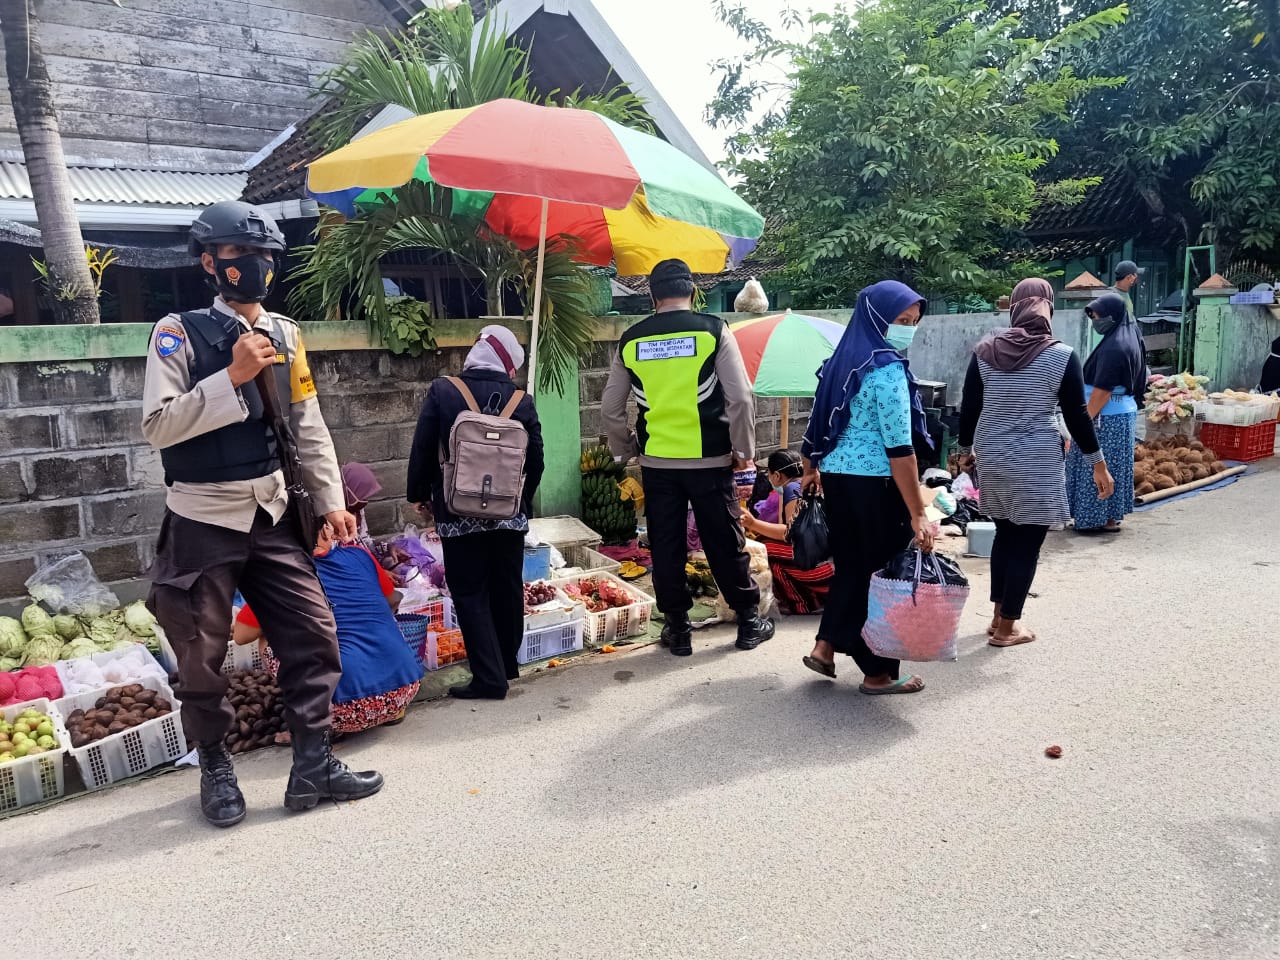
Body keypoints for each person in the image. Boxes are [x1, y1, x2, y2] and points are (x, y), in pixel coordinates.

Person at [141, 200, 382, 828]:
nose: (254, 267)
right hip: (201, 519)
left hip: (271, 513)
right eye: (238, 256)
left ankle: (313, 766)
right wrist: (231, 377)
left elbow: (307, 422)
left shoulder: (286, 333)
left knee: (314, 636)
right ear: (209, 263)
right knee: (200, 657)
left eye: (264, 257)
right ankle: (216, 769)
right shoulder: (177, 332)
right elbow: (158, 426)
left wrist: (331, 501)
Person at [600, 258, 774, 657]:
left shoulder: (633, 339)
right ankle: (749, 623)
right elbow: (741, 397)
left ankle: (677, 630)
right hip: (711, 460)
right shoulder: (713, 330)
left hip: (657, 463)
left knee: (665, 545)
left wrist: (626, 448)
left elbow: (610, 409)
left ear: (651, 296)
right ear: (693, 293)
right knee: (724, 541)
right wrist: (743, 451)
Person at [960, 278, 1116, 648]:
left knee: (1006, 535)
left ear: (1014, 308)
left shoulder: (984, 352)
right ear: (1047, 308)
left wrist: (964, 449)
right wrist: (1098, 463)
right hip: (1035, 461)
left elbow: (970, 406)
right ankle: (1008, 627)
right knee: (1027, 543)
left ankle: (998, 614)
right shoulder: (1061, 355)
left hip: (993, 457)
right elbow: (1077, 415)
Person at [797, 280, 935, 694]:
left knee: (854, 566)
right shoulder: (886, 368)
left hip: (838, 478)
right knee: (881, 575)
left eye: (913, 322)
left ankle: (825, 647)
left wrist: (809, 466)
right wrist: (917, 512)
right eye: (901, 320)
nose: (907, 329)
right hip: (877, 484)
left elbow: (817, 420)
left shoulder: (841, 361)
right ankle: (877, 672)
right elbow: (900, 449)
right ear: (877, 317)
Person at [406, 325, 544, 700]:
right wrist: (522, 503)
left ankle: (489, 678)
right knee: (506, 587)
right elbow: (537, 460)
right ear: (506, 361)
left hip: (457, 509)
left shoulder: (444, 390)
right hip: (508, 514)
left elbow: (423, 448)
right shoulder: (522, 400)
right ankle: (507, 665)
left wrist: (419, 494)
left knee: (470, 593)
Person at [233, 521, 422, 737]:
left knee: (267, 638)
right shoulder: (360, 555)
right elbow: (391, 600)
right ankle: (392, 713)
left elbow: (241, 636)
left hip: (342, 710)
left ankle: (309, 727)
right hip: (403, 689)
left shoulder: (280, 572)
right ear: (328, 530)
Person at [1068, 293, 1146, 533]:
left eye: (1098, 315)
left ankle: (1093, 518)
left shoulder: (1114, 347)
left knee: (1094, 463)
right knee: (1113, 464)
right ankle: (1109, 517)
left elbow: (1101, 392)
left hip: (1104, 416)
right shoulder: (1131, 337)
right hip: (1121, 413)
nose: (1095, 320)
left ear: (1113, 315)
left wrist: (1082, 422)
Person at [740, 449, 834, 615]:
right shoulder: (810, 483)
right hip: (836, 568)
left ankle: (802, 604)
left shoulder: (792, 488)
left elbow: (789, 533)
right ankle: (810, 600)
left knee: (766, 550)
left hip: (825, 573)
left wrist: (753, 523)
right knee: (772, 550)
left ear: (776, 475)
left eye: (768, 473)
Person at [341, 462, 382, 550]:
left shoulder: (358, 511)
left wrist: (387, 549)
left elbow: (365, 539)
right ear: (348, 490)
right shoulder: (334, 516)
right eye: (362, 494)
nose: (365, 500)